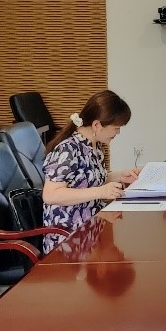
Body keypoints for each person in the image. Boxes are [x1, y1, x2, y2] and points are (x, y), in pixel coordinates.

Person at [40, 89, 140, 254]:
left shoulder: (95, 144)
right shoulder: (68, 149)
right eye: (116, 128)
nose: (118, 132)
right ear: (97, 125)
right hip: (69, 238)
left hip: (93, 227)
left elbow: (89, 179)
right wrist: (101, 192)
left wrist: (121, 175)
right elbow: (51, 195)